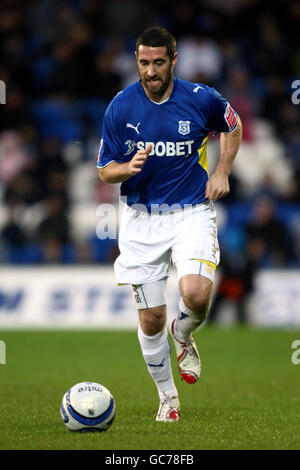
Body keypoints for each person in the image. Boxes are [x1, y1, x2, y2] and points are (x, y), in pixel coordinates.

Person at [97, 27, 242, 422]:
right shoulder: (120, 107)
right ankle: (168, 399)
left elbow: (233, 125)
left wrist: (223, 171)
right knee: (150, 319)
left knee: (195, 295)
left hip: (192, 211)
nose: (150, 71)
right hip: (141, 221)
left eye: (158, 62)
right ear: (136, 61)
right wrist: (127, 168)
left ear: (174, 60)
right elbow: (105, 171)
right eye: (143, 63)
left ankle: (183, 334)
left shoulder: (201, 98)